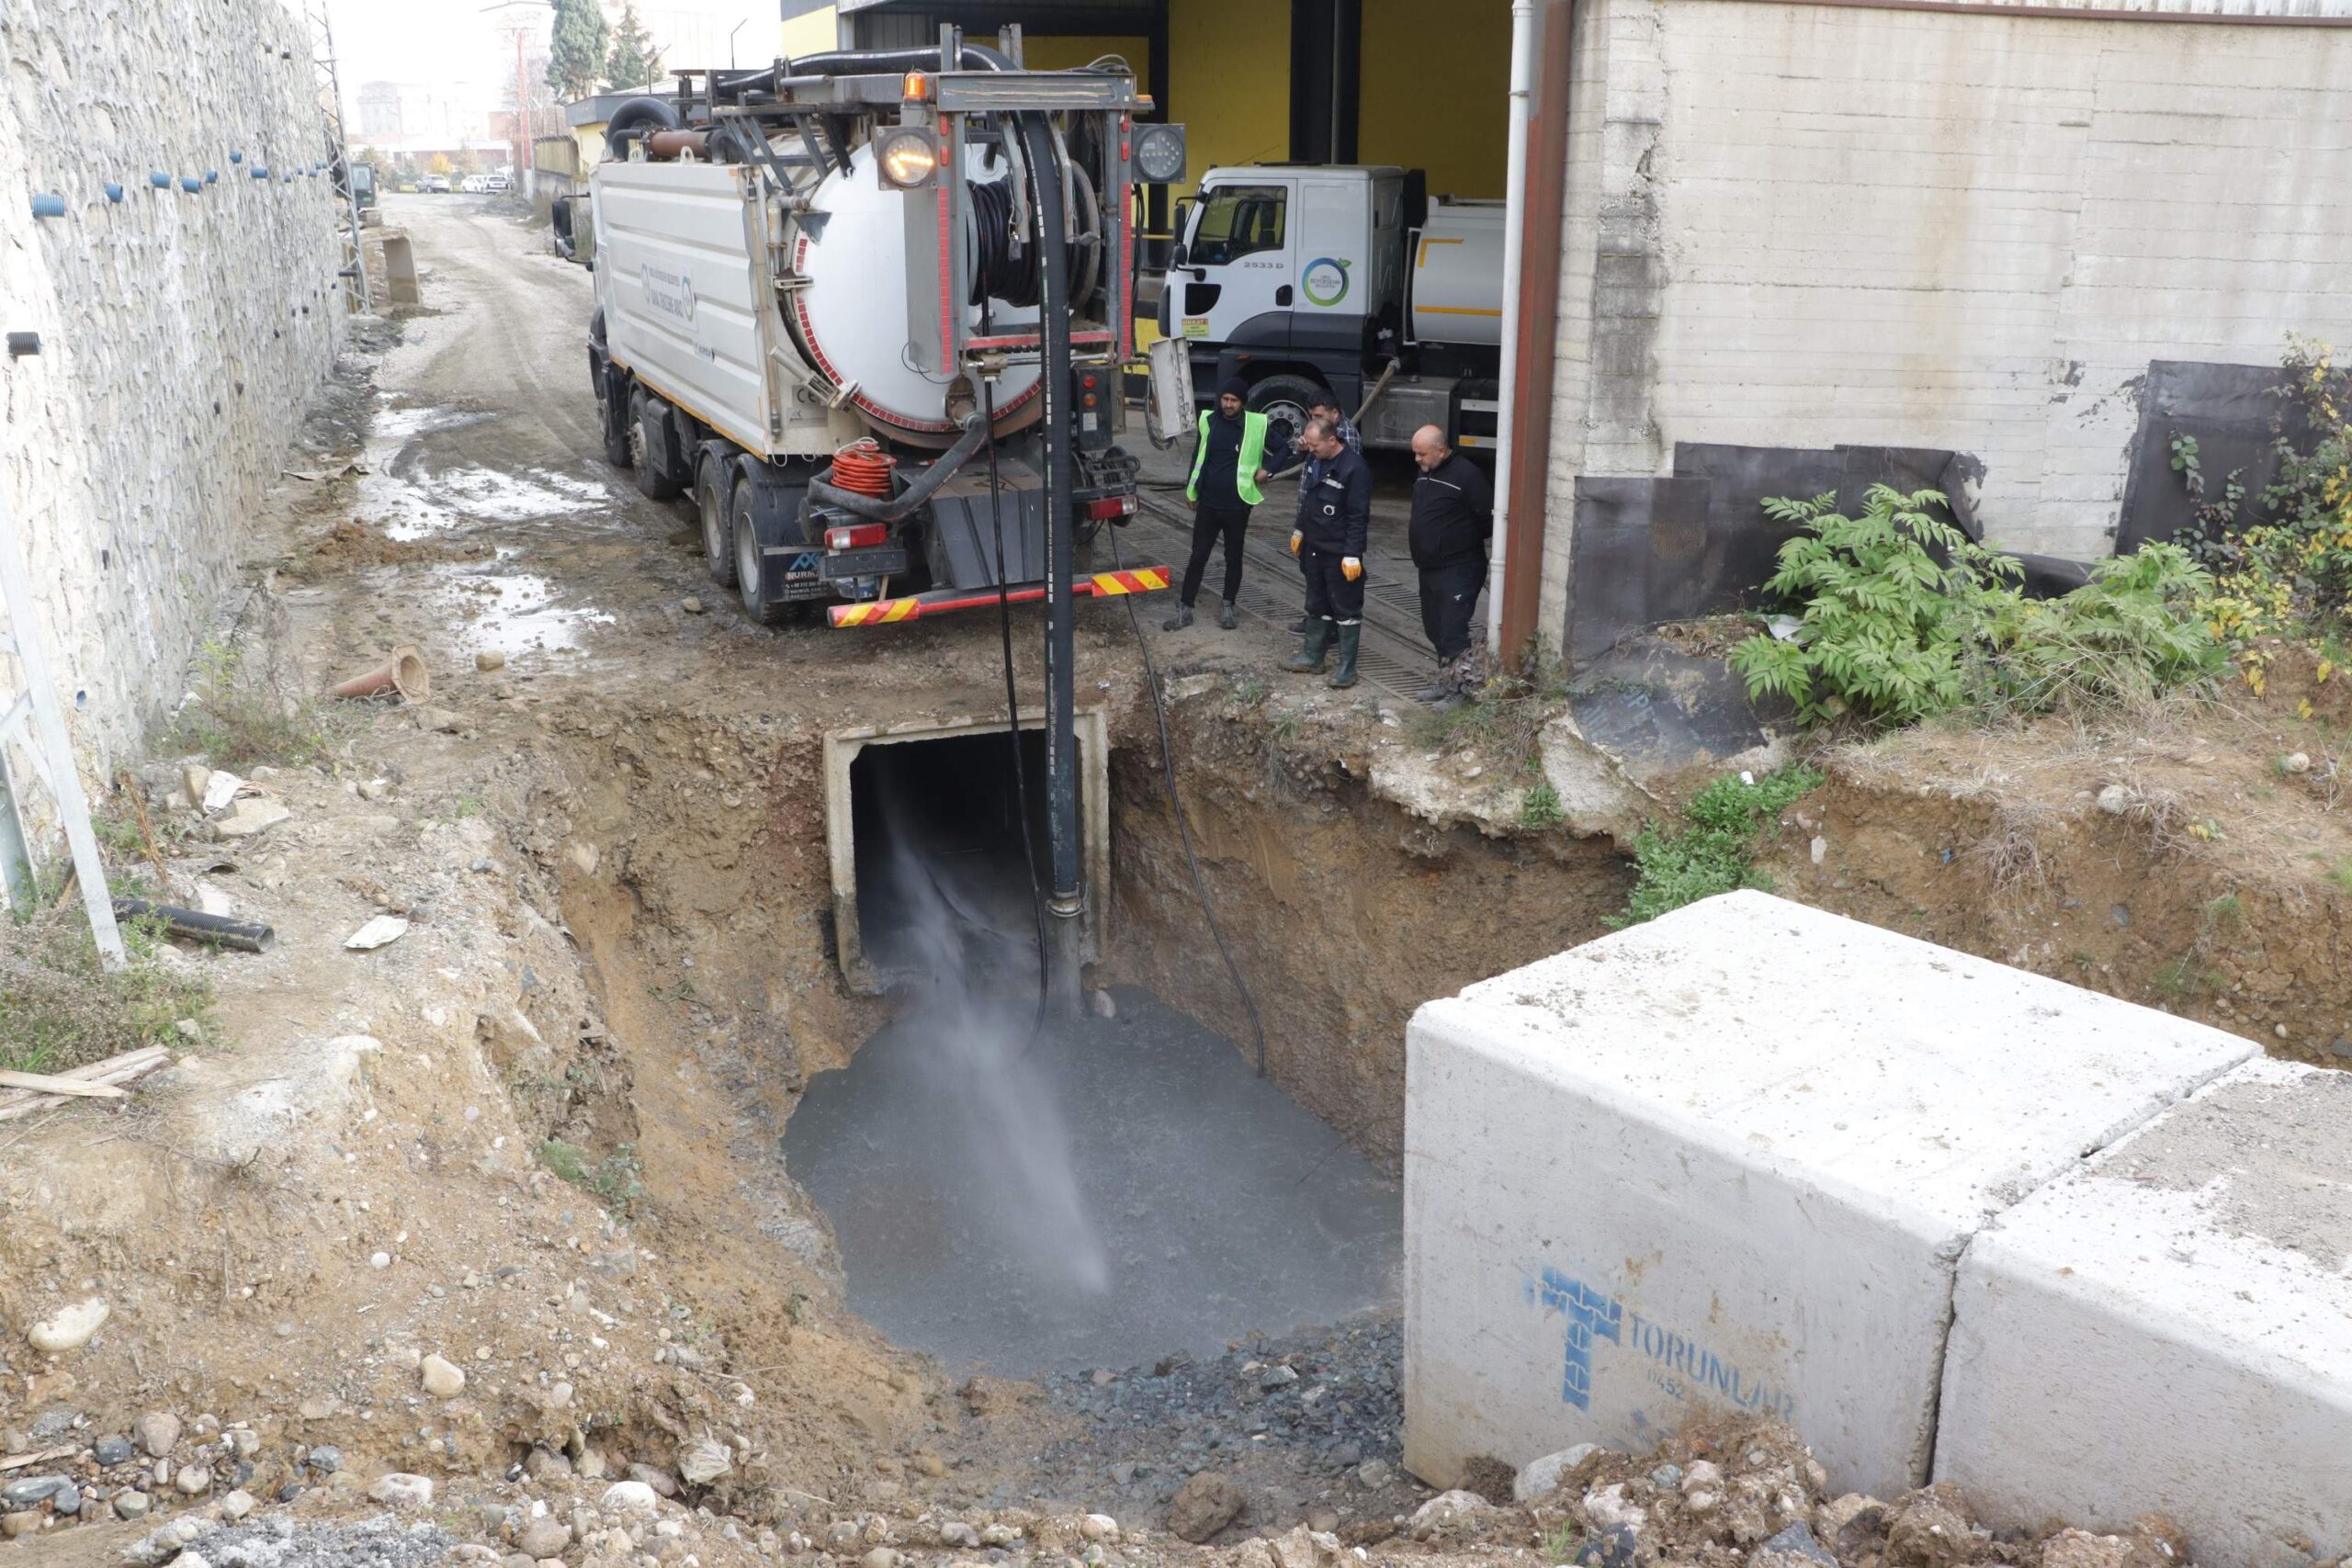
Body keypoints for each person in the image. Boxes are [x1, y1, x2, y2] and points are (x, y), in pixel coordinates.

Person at [1166, 378, 1276, 632]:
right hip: (1208, 504)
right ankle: (1186, 607)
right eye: (1225, 399)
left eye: (1233, 400)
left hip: (1238, 505)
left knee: (1233, 557)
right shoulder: (1208, 421)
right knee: (1198, 556)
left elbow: (1283, 450)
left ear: (1243, 403)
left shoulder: (1256, 425)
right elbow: (1197, 457)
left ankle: (1228, 605)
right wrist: (1191, 490)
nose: (1228, 405)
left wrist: (1268, 470)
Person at [1406, 424, 1494, 704]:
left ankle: (1462, 692)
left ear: (1441, 451)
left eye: (1422, 454)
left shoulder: (1467, 475)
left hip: (1459, 567)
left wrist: (1456, 540)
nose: (1417, 460)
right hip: (1428, 567)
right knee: (1434, 627)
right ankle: (1446, 681)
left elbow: (1487, 520)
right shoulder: (1425, 472)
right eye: (1415, 454)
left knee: (1453, 630)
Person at [1282, 417, 1372, 689]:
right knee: (1316, 603)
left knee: (1345, 608)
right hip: (1314, 548)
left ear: (1332, 440)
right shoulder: (1313, 459)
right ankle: (1312, 657)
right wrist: (1299, 529)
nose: (1310, 450)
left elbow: (1358, 516)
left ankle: (1347, 668)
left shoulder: (1354, 469)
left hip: (1339, 552)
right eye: (1308, 445)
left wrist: (1352, 553)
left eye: (1315, 445)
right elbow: (1307, 498)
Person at [1288, 392, 1360, 635]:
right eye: (1312, 416)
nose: (1314, 419)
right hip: (1311, 518)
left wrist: (1351, 552)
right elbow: (1312, 473)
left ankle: (1328, 629)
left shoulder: (1345, 439)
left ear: (1334, 414)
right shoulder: (1317, 443)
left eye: (1319, 416)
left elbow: (1348, 488)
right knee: (1312, 576)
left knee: (1332, 583)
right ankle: (1317, 622)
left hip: (1330, 526)